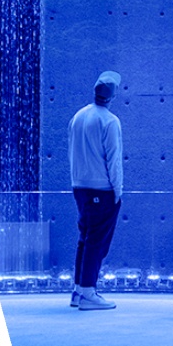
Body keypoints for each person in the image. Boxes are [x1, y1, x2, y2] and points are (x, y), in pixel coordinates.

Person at [69, 71, 124, 311]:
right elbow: (114, 160)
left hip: (79, 186)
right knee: (96, 241)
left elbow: (72, 150)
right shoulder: (110, 121)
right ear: (113, 96)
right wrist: (117, 191)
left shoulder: (78, 116)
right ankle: (89, 292)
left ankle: (79, 289)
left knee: (85, 238)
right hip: (101, 189)